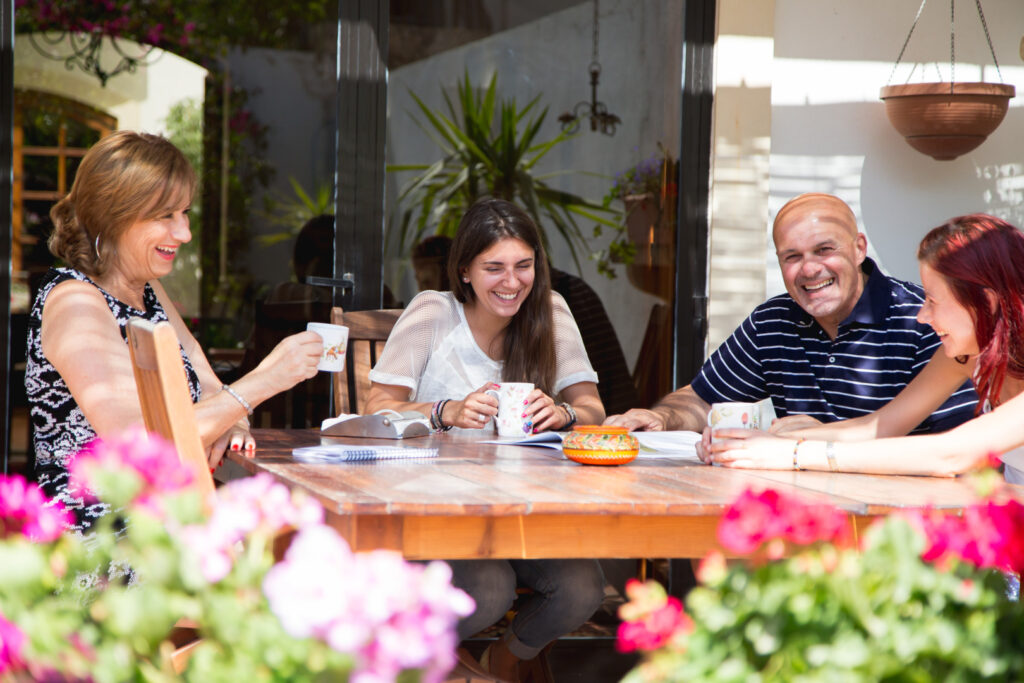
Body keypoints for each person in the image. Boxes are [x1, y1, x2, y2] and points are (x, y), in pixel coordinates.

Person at [25, 131, 323, 532]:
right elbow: (141, 445)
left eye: (184, 213)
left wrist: (232, 421)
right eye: (166, 216)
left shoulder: (147, 290)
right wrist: (264, 381)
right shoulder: (75, 302)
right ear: (113, 216)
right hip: (103, 533)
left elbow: (212, 387)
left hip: (168, 521)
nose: (184, 233)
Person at [364, 198, 605, 681]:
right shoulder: (433, 313)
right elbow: (376, 407)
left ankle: (504, 659)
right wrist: (445, 411)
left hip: (520, 510)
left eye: (523, 266)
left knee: (583, 588)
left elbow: (594, 410)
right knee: (488, 588)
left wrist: (562, 413)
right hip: (433, 511)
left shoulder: (551, 312)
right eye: (494, 268)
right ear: (465, 271)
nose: (511, 282)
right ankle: (416, 659)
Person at [605, 192, 977, 436]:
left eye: (824, 250)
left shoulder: (924, 321)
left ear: (859, 249)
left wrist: (813, 442)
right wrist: (662, 417)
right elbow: (703, 399)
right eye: (792, 257)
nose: (810, 269)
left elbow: (953, 448)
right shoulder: (774, 321)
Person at [707, 213, 1024, 481]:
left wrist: (795, 454)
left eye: (932, 300)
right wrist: (753, 442)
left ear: (986, 302)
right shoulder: (966, 356)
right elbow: (880, 425)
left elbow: (951, 455)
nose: (923, 316)